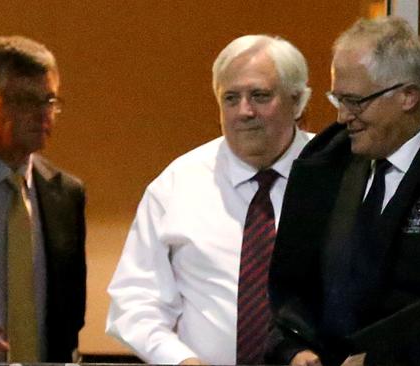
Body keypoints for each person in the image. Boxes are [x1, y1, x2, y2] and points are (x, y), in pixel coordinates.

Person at [105, 34, 313, 365]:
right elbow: (135, 303)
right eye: (231, 98)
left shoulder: (338, 174)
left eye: (259, 96)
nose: (245, 111)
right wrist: (179, 360)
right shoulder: (177, 184)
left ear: (297, 100)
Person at [266, 17, 420, 366]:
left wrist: (379, 360)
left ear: (409, 96)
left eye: (356, 102)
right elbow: (290, 293)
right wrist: (293, 349)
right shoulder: (323, 167)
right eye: (337, 99)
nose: (342, 117)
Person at [0, 36, 86, 363]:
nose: (44, 114)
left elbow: (70, 316)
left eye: (49, 100)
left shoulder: (66, 195)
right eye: (27, 99)